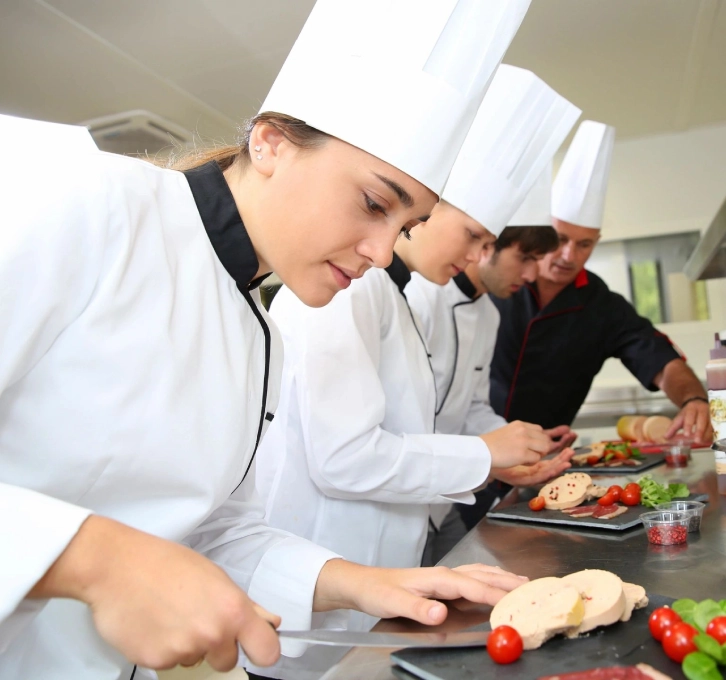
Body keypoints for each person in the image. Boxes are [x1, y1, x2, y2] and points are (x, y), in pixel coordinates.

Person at [0, 1, 537, 678]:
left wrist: (366, 581)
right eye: (375, 202)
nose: (379, 251)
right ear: (271, 143)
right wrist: (93, 559)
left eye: (405, 224)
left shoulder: (258, 333)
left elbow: (215, 530)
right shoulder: (80, 201)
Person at [252, 64, 575, 680]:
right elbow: (344, 458)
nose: (478, 258)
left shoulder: (386, 295)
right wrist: (484, 456)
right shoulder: (345, 291)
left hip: (380, 579)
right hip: (322, 581)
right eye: (475, 236)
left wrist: (499, 449)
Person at [490, 120, 713, 442]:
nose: (568, 255)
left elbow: (662, 361)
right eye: (560, 238)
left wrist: (694, 399)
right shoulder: (499, 282)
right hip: (470, 449)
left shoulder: (603, 307)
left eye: (584, 245)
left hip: (542, 456)